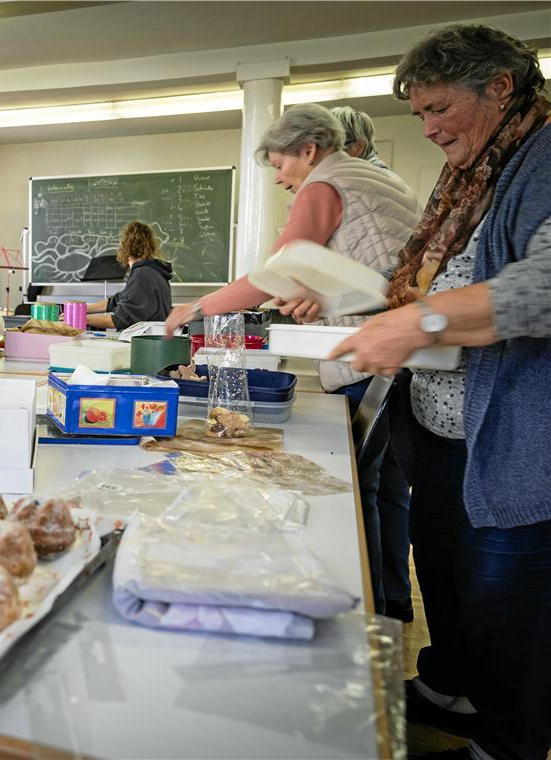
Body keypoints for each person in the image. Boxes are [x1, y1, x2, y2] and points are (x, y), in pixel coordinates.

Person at [329, 24, 550, 760]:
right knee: (449, 575)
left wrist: (417, 322)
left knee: (507, 602)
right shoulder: (477, 168)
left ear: (499, 87)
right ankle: (450, 686)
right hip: (444, 427)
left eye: (436, 109)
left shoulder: (542, 157)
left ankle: (505, 744)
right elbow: (429, 276)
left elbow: (541, 289)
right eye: (417, 113)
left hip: (514, 442)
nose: (426, 129)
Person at [165, 103, 419, 620]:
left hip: (371, 356)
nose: (280, 180)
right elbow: (375, 272)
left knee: (357, 491)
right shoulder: (380, 179)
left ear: (309, 151)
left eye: (281, 165)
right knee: (387, 488)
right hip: (405, 352)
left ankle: (363, 617)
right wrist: (320, 297)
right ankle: (390, 601)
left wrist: (193, 309)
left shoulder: (326, 183)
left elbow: (271, 276)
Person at [85, 221, 173, 329]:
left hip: (145, 341)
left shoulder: (142, 275)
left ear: (126, 246)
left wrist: (79, 318)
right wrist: (84, 309)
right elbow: (116, 301)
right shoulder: (155, 272)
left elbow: (120, 320)